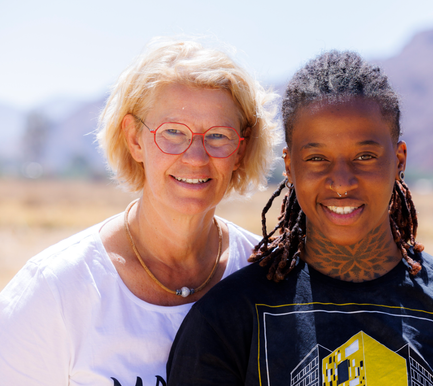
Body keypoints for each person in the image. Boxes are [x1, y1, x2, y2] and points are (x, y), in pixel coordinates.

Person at [166, 51, 433, 386]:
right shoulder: (229, 319)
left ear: (399, 160)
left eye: (365, 156)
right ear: (290, 166)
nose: (342, 181)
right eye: (317, 158)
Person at [0, 37, 279, 385]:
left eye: (218, 136)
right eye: (173, 132)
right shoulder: (56, 290)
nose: (195, 157)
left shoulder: (269, 277)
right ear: (134, 139)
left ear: (241, 148)